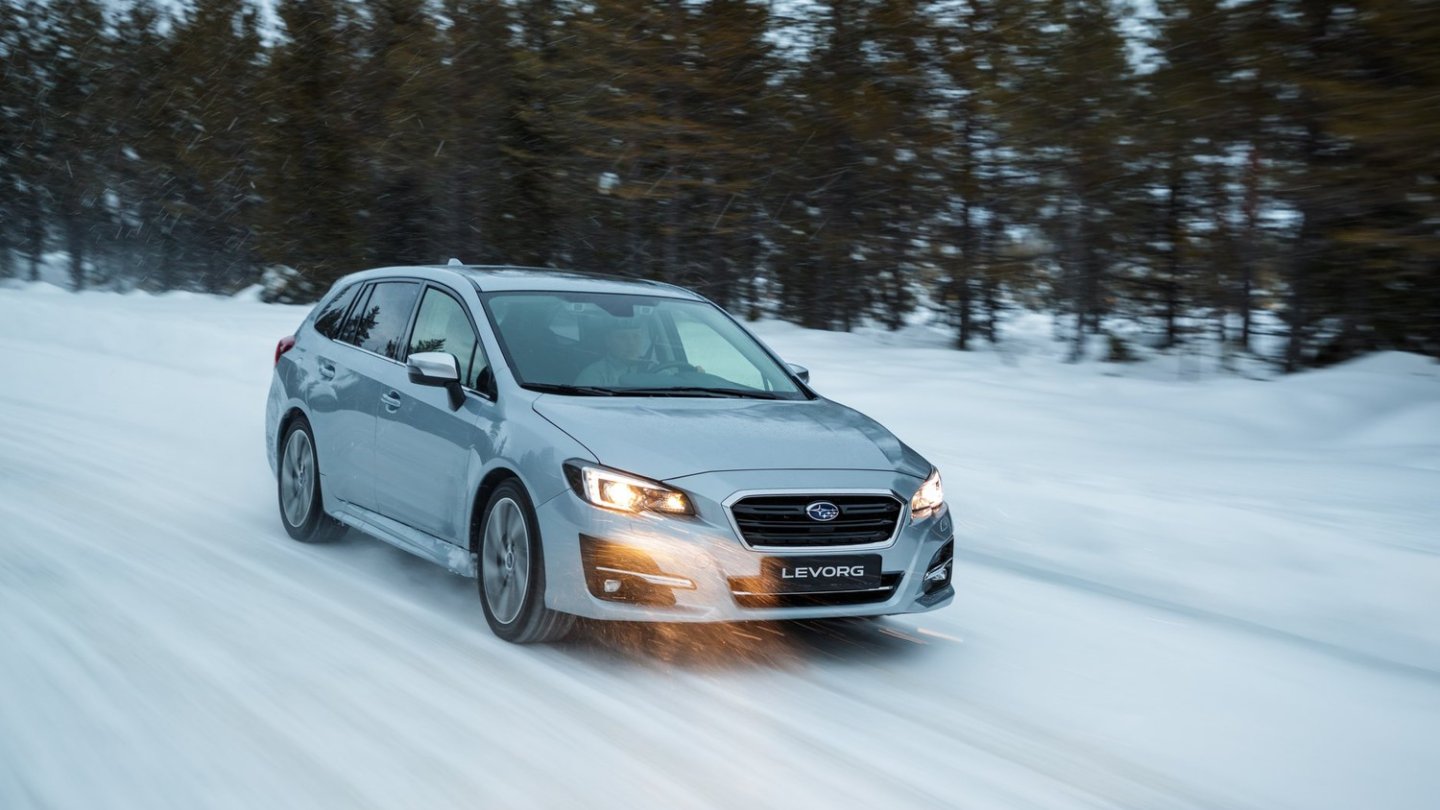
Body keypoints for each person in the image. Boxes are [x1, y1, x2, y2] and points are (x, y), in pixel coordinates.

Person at [576, 322, 651, 386]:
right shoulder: (593, 374)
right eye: (622, 337)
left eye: (636, 336)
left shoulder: (653, 369)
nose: (631, 343)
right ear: (608, 341)